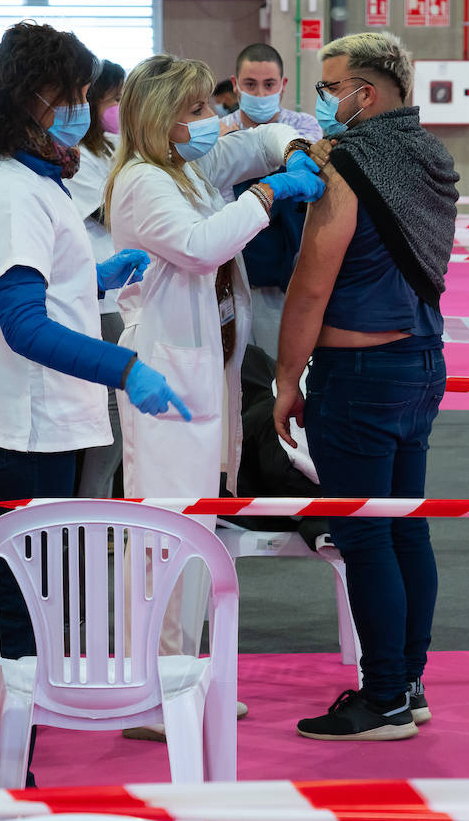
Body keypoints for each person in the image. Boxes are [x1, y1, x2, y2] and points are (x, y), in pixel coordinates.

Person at [0, 22, 189, 664]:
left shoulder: (34, 180)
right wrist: (126, 367)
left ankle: (11, 742)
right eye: (73, 94)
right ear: (31, 97)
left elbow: (40, 286)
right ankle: (4, 756)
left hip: (40, 422)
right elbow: (23, 326)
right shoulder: (10, 191)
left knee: (39, 594)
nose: (83, 109)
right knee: (23, 606)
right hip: (22, 427)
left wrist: (93, 279)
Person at [102, 53, 325, 654]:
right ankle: (153, 677)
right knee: (165, 535)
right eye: (197, 110)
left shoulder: (188, 167)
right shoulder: (144, 181)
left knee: (194, 529)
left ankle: (177, 671)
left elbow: (255, 142)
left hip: (203, 371)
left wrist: (291, 148)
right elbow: (201, 247)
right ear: (160, 119)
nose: (212, 119)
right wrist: (269, 196)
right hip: (166, 373)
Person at [273, 32, 459, 741]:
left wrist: (287, 378)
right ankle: (406, 684)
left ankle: (381, 696)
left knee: (365, 537)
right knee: (407, 529)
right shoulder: (431, 154)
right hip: (421, 365)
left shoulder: (349, 163)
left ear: (367, 94)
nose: (322, 101)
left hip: (358, 375)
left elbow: (311, 283)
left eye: (330, 86)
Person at [218, 43, 324, 353]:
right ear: (235, 85)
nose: (261, 93)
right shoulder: (218, 132)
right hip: (230, 263)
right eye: (251, 85)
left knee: (281, 368)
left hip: (286, 272)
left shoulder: (304, 127)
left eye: (269, 85)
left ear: (283, 85)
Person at [66, 58, 128, 498]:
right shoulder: (81, 157)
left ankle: (98, 511)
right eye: (115, 99)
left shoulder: (110, 149)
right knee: (108, 414)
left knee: (114, 416)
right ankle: (93, 512)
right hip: (97, 299)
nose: (121, 108)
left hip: (114, 295)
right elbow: (114, 211)